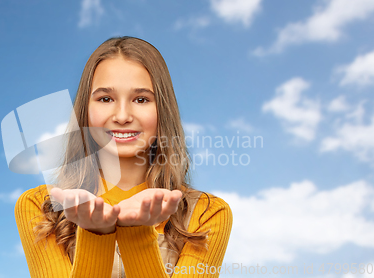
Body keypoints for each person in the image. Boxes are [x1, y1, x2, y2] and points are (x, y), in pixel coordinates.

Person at [15, 36, 232, 278]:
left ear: (163, 110)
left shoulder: (207, 213)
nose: (122, 116)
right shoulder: (41, 206)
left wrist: (135, 232)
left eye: (141, 99)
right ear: (85, 110)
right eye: (105, 99)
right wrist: (96, 235)